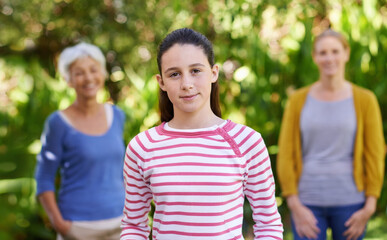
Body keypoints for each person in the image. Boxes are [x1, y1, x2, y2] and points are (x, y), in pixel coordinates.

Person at [120, 28, 283, 240]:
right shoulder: (143, 146)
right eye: (174, 74)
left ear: (213, 73)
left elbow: (269, 223)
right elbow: (133, 226)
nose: (186, 84)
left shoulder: (247, 142)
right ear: (161, 82)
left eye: (196, 70)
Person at [277, 29, 385, 240]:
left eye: (335, 51)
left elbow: (375, 153)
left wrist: (370, 206)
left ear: (346, 53)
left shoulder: (365, 100)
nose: (329, 58)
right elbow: (286, 153)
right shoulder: (297, 100)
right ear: (315, 57)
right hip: (307, 204)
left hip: (350, 205)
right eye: (323, 52)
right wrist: (294, 205)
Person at [35, 42, 126, 240]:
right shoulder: (58, 123)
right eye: (79, 73)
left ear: (102, 73)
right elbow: (44, 178)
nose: (88, 78)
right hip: (77, 227)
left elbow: (123, 170)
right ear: (68, 80)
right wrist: (60, 225)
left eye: (94, 70)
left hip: (120, 224)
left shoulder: (117, 115)